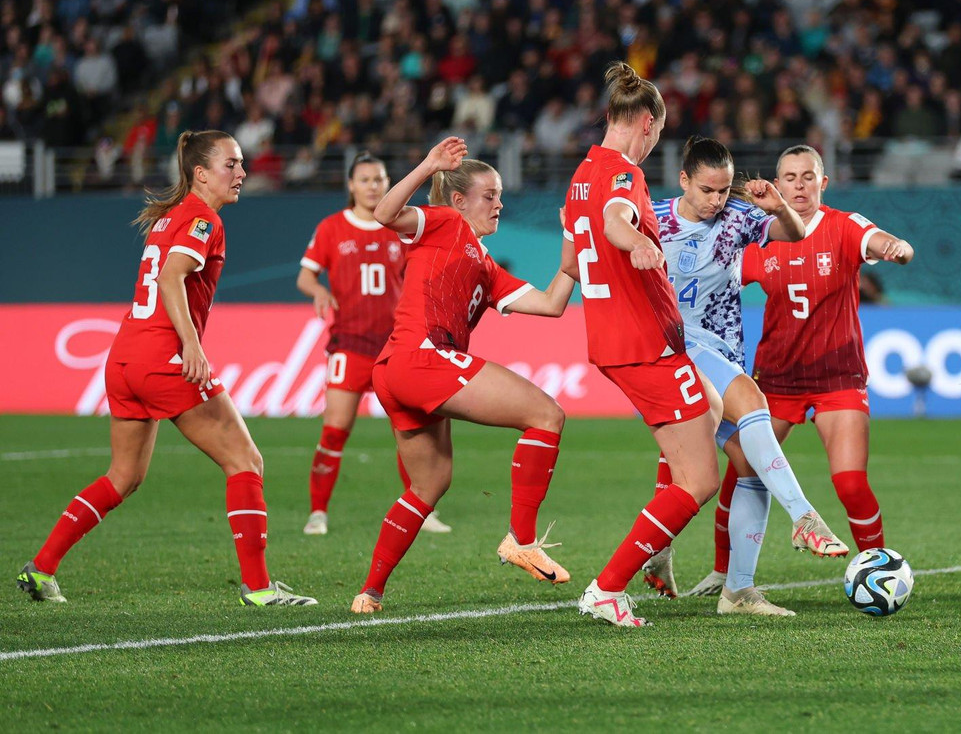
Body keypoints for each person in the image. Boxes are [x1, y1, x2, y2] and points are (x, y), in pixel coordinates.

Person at [17, 130, 317, 606]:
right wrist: (192, 347)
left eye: (242, 164)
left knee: (123, 477)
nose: (242, 173)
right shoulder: (202, 220)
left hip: (124, 357)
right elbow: (172, 275)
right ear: (201, 173)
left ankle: (42, 567)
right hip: (164, 358)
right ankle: (259, 588)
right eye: (232, 164)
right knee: (245, 461)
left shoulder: (171, 217)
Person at [351, 139, 576, 613]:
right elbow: (386, 214)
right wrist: (428, 163)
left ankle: (369, 591)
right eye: (490, 195)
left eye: (499, 195)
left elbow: (553, 304)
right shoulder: (444, 222)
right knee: (546, 414)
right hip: (422, 358)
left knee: (428, 485)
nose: (500, 203)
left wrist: (573, 239)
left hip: (396, 370)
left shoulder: (487, 266)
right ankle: (522, 539)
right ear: (458, 200)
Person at [646, 136, 849, 617]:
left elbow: (796, 233)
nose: (716, 201)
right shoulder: (651, 215)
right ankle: (804, 516)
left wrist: (778, 205)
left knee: (750, 469)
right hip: (674, 346)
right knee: (755, 404)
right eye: (706, 191)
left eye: (722, 191)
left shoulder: (739, 216)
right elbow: (578, 225)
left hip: (722, 350)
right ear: (683, 182)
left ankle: (735, 589)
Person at [568, 63, 721, 628]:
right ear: (647, 123)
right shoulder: (624, 175)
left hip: (614, 338)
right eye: (659, 132)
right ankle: (608, 588)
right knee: (701, 479)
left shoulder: (581, 172)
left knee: (714, 404)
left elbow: (572, 253)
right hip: (645, 342)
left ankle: (658, 547)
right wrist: (637, 243)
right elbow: (615, 221)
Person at [733, 144, 914, 570]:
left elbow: (885, 242)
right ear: (777, 186)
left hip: (838, 377)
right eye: (790, 178)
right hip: (775, 379)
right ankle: (725, 573)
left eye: (808, 176)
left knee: (851, 483)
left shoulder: (844, 227)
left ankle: (878, 570)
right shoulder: (760, 239)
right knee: (741, 475)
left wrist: (897, 248)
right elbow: (718, 282)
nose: (799, 186)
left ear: (823, 182)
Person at [296, 153, 450, 536]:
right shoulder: (332, 228)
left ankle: (422, 511)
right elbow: (305, 276)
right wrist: (317, 290)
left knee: (409, 431)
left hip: (396, 345)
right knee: (335, 430)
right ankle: (318, 512)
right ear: (351, 185)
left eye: (379, 179)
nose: (373, 186)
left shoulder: (399, 225)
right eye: (365, 180)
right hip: (349, 343)